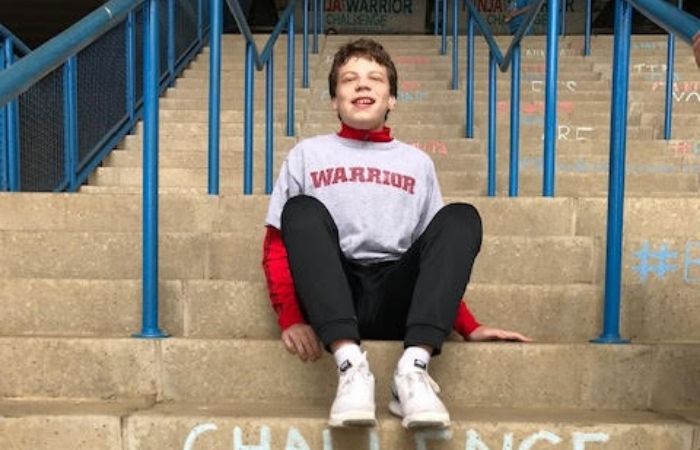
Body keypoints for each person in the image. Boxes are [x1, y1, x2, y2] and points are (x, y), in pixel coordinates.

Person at [262, 38, 530, 429]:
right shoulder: (307, 154)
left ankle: (413, 369)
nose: (363, 85)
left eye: (375, 78)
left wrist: (468, 326)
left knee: (461, 217)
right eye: (349, 79)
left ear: (392, 99)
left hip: (396, 297)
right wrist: (291, 317)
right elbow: (277, 245)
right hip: (335, 295)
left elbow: (437, 258)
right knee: (299, 210)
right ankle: (351, 367)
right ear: (335, 99)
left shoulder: (417, 162)